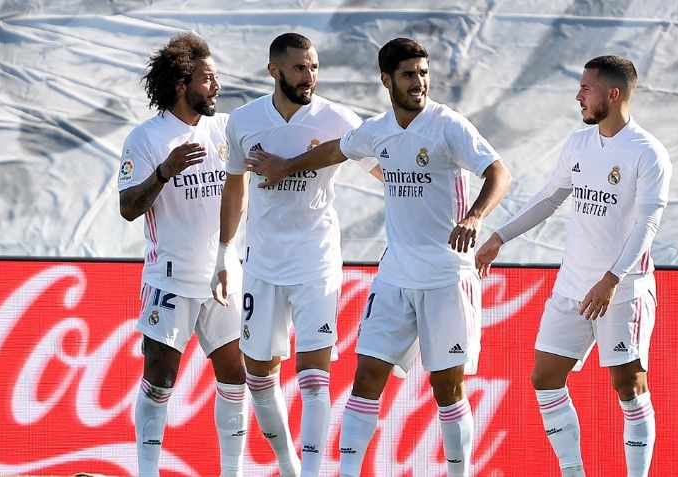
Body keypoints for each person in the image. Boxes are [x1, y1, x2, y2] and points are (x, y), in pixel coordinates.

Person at [245, 37, 512, 477]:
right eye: (409, 75)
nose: (419, 82)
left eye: (424, 73)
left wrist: (476, 216)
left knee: (446, 386)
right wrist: (283, 166)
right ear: (387, 80)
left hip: (447, 276)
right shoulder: (378, 129)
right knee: (366, 376)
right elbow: (334, 150)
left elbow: (499, 171)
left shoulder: (449, 126)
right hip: (395, 277)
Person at [475, 55, 672, 477]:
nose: (578, 95)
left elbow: (648, 223)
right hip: (571, 287)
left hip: (621, 290)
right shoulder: (578, 144)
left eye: (586, 88)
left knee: (629, 387)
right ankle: (573, 472)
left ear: (612, 94)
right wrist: (499, 237)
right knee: (545, 377)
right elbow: (549, 198)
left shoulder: (647, 152)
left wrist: (612, 279)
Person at [211, 33, 382, 477]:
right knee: (259, 376)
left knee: (313, 375)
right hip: (263, 264)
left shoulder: (337, 119)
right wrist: (223, 253)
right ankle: (287, 466)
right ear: (275, 71)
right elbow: (235, 185)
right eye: (300, 68)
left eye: (314, 67)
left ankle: (310, 472)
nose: (310, 76)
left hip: (316, 261)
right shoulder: (245, 120)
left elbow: (384, 169)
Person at [118, 33, 247, 477]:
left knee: (236, 377)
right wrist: (164, 172)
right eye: (208, 78)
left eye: (216, 78)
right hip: (170, 278)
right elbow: (128, 208)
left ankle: (232, 471)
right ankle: (148, 471)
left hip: (224, 277)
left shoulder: (228, 129)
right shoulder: (147, 138)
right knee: (160, 379)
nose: (216, 87)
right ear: (180, 83)